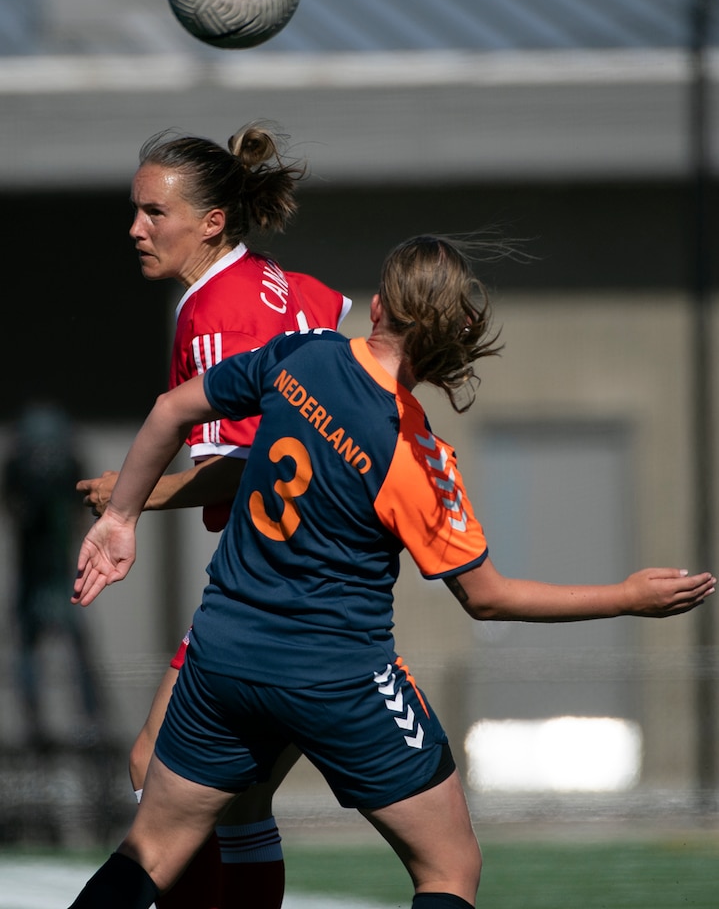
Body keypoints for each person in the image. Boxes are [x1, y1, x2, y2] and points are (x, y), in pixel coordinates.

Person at [67, 234, 715, 909]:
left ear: (377, 307)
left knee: (150, 851)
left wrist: (121, 517)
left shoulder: (305, 354)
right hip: (334, 674)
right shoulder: (413, 449)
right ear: (451, 341)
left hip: (221, 657)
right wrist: (626, 596)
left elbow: (173, 409)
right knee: (449, 866)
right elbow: (486, 598)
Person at [76, 121, 351, 909]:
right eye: (135, 210)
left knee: (154, 771)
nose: (135, 228)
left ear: (212, 221)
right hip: (332, 588)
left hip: (271, 590)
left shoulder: (215, 315)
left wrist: (130, 496)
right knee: (238, 804)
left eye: (154, 213)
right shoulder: (284, 284)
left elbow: (248, 460)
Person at [2, 401, 103, 748]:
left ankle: (91, 722)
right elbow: (17, 509)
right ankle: (38, 724)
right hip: (34, 575)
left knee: (75, 649)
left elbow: (79, 512)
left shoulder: (61, 468)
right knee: (31, 649)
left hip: (61, 574)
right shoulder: (21, 470)